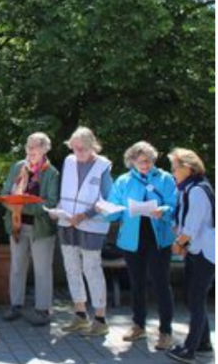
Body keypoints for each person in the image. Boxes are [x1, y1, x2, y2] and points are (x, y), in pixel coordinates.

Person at [105, 141, 176, 350]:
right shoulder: (123, 181)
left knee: (161, 284)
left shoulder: (165, 178)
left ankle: (166, 331)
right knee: (136, 283)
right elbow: (114, 208)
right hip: (132, 240)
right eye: (140, 161)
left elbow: (175, 205)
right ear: (132, 161)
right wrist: (108, 211)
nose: (145, 165)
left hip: (159, 239)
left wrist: (162, 210)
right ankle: (138, 325)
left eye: (148, 161)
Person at [56, 127, 112, 337]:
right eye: (74, 148)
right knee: (71, 267)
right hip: (67, 222)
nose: (78, 152)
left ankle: (100, 318)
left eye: (82, 148)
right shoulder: (69, 161)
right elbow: (65, 191)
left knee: (92, 268)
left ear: (92, 146)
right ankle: (80, 314)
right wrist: (58, 211)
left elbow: (108, 200)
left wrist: (86, 214)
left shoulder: (103, 166)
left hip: (92, 225)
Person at [0, 133, 60, 326]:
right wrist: (12, 204)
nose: (30, 151)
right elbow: (4, 193)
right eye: (28, 147)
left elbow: (50, 203)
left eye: (35, 147)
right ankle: (15, 305)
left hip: (40, 229)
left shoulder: (51, 173)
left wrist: (22, 206)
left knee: (42, 270)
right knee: (17, 266)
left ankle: (43, 309)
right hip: (17, 225)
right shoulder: (18, 167)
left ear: (44, 149)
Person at [166, 148, 214, 364]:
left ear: (188, 168)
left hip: (205, 252)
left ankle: (190, 350)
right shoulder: (190, 187)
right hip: (197, 250)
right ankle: (203, 344)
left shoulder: (196, 190)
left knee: (195, 299)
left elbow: (192, 226)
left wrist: (179, 243)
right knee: (192, 297)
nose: (173, 171)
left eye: (175, 167)